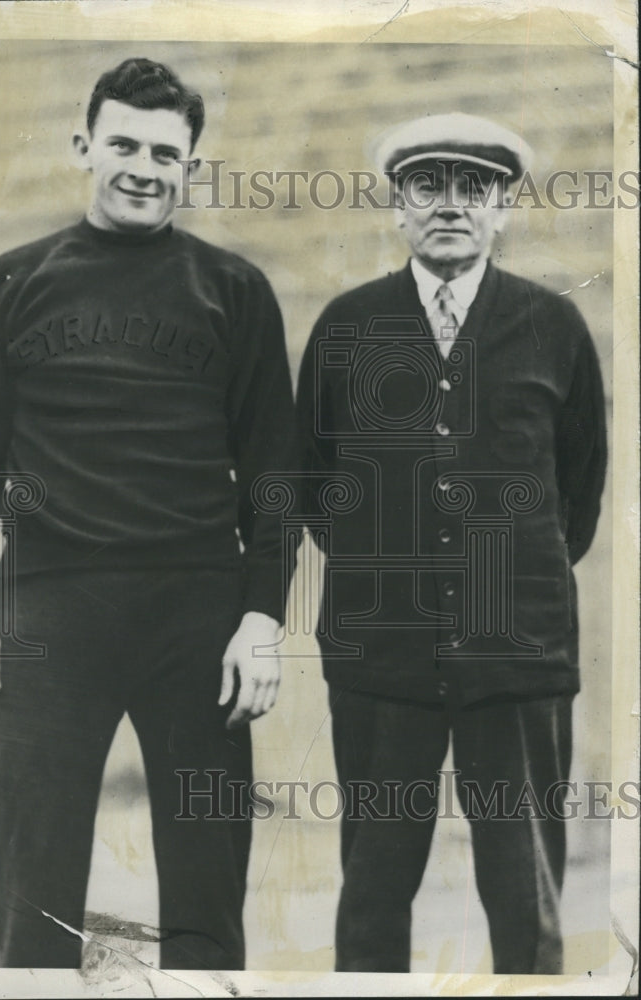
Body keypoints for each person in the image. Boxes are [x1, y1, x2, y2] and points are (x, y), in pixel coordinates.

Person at [0, 57, 296, 971]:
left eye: (167, 153)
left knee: (208, 898)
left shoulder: (236, 291)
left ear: (191, 166)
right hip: (52, 611)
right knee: (34, 895)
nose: (144, 167)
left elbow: (273, 474)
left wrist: (262, 619)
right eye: (125, 144)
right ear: (84, 145)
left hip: (197, 612)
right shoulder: (16, 282)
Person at [295, 113, 607, 974]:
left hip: (517, 655)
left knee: (525, 901)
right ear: (398, 205)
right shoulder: (347, 327)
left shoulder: (554, 328)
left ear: (503, 208)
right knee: (370, 899)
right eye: (428, 185)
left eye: (476, 188)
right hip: (381, 657)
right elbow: (318, 485)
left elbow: (574, 499)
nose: (451, 205)